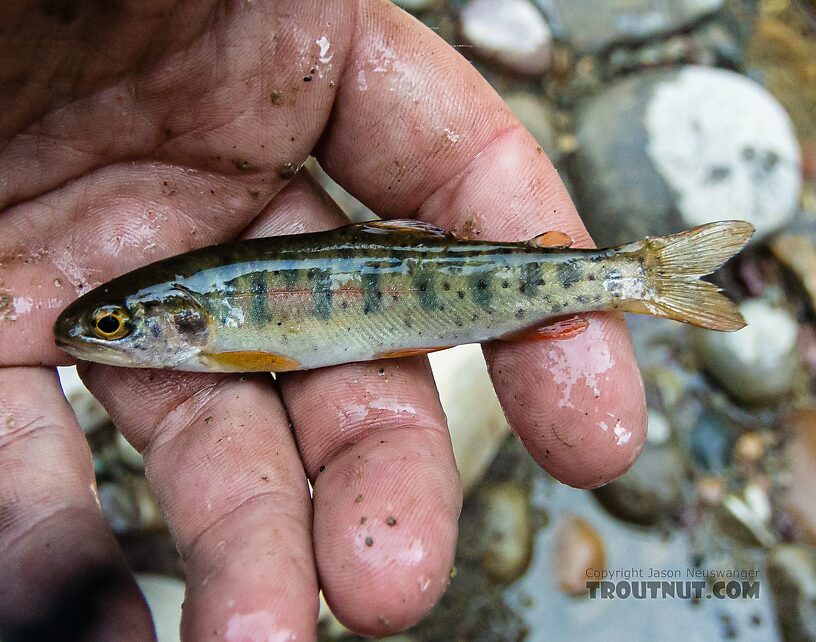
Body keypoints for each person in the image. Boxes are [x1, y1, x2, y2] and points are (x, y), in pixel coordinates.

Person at [0, 1, 647, 639]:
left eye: (113, 325)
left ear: (183, 319)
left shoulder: (219, 336)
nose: (100, 336)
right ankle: (634, 275)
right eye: (112, 326)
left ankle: (635, 275)